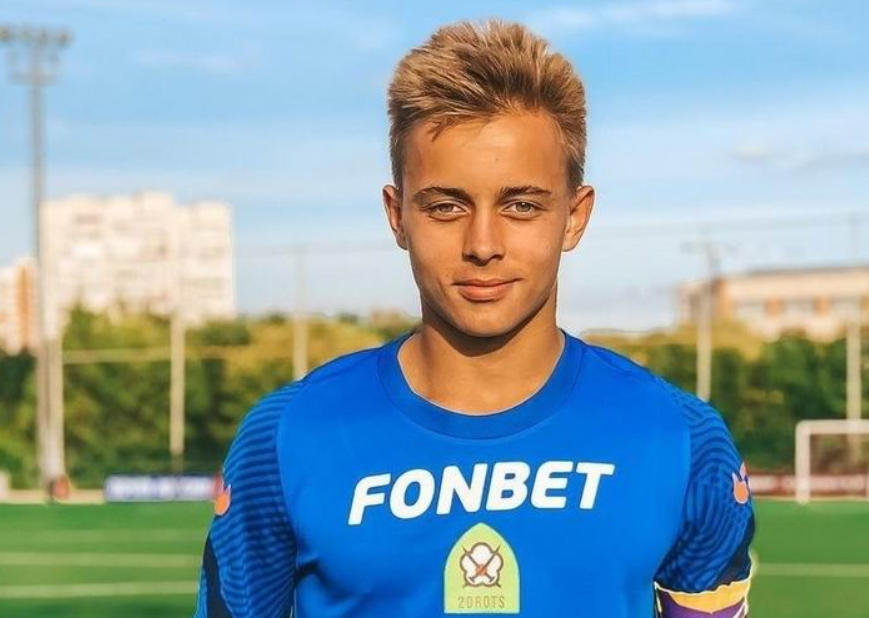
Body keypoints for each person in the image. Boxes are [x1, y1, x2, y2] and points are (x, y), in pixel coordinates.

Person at [192, 18, 754, 618]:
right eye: (445, 206)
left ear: (575, 216)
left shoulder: (680, 438)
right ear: (397, 215)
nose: (483, 244)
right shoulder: (286, 437)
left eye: (521, 205)